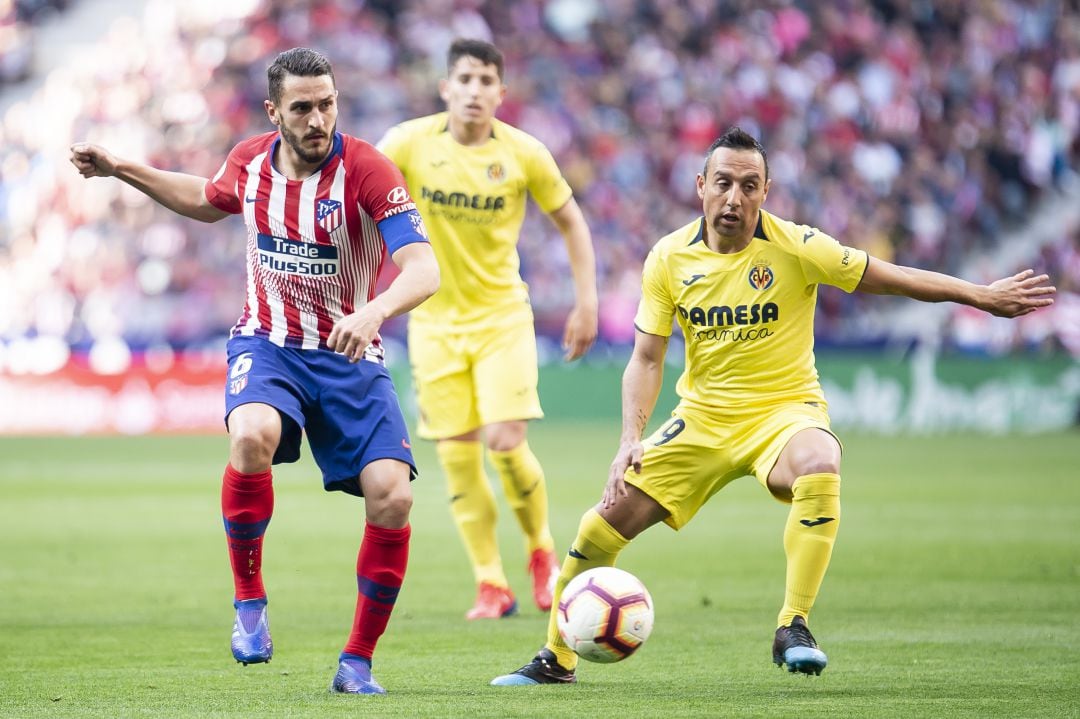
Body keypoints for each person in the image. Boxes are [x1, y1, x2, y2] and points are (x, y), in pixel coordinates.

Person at [491, 126, 1056, 685]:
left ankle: (794, 624)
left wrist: (980, 295)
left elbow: (891, 277)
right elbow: (644, 358)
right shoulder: (667, 258)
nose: (734, 197)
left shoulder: (798, 246)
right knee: (599, 526)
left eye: (749, 185)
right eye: (723, 183)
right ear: (700, 186)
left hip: (783, 412)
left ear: (766, 191)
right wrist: (627, 441)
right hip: (703, 419)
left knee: (819, 460)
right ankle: (555, 658)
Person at [70, 47, 440, 695]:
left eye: (327, 103)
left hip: (351, 353)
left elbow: (424, 267)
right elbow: (208, 198)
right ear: (275, 113)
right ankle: (249, 602)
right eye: (302, 107)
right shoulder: (250, 161)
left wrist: (376, 310)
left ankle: (356, 661)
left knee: (395, 495)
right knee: (250, 435)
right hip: (267, 343)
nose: (318, 117)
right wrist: (120, 168)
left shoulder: (369, 171)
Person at [376, 38, 598, 620]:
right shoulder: (406, 142)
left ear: (502, 93)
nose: (475, 91)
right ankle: (490, 582)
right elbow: (358, 191)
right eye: (465, 80)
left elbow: (571, 223)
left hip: (502, 317)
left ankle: (541, 554)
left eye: (486, 82)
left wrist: (587, 302)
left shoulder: (524, 153)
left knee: (504, 441)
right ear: (446, 87)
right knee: (457, 457)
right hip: (433, 323)